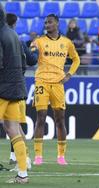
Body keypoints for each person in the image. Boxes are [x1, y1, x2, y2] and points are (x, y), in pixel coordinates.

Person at [30, 14, 80, 166]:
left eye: (50, 22)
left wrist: (69, 75)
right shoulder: (39, 41)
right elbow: (31, 56)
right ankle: (38, 156)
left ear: (57, 24)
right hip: (41, 82)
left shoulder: (67, 42)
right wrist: (31, 50)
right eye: (45, 22)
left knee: (60, 119)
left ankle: (61, 156)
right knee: (41, 117)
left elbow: (76, 59)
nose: (47, 24)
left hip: (58, 83)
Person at [0, 5, 29, 184]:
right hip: (16, 87)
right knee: (12, 130)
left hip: (2, 87)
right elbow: (24, 62)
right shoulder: (12, 33)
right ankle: (23, 174)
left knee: (12, 130)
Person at [6, 13, 37, 168]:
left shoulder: (4, 39)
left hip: (5, 87)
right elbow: (32, 60)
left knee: (13, 126)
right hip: (18, 86)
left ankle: (22, 159)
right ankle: (25, 159)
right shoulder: (19, 40)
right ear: (15, 23)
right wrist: (34, 50)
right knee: (16, 125)